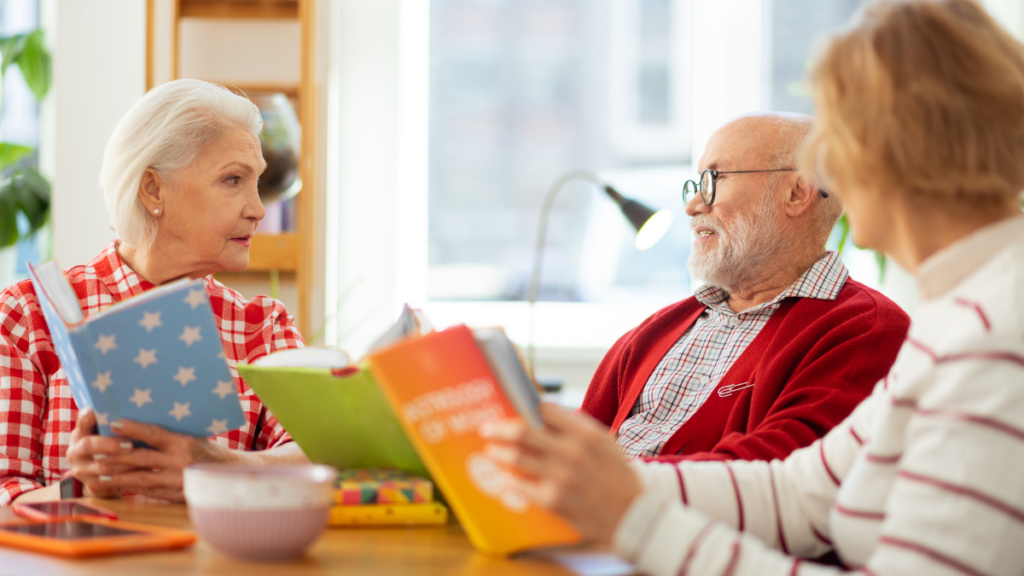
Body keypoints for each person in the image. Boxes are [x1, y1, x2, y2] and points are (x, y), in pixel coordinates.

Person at [484, 0, 1024, 573]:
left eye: (838, 138)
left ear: (900, 147)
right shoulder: (961, 313)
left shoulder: (994, 334)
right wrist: (596, 483)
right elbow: (801, 492)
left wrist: (635, 520)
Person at [0, 79, 309, 505]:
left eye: (256, 182)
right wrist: (83, 488)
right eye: (233, 179)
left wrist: (224, 466)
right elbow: (5, 493)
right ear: (153, 189)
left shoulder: (263, 328)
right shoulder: (26, 314)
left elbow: (320, 457)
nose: (257, 209)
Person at [582, 113, 910, 463]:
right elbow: (574, 446)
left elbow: (777, 473)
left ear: (797, 193)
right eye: (696, 184)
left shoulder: (868, 331)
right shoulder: (652, 333)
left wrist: (611, 480)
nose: (693, 206)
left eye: (714, 179)